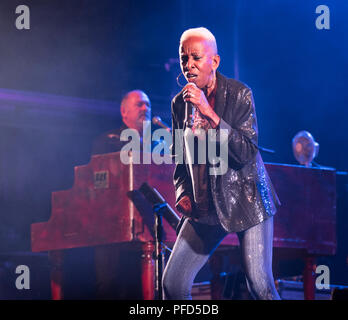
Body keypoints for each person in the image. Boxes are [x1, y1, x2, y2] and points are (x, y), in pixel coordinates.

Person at [162, 27, 281, 300]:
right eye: (184, 59)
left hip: (247, 198)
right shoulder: (179, 104)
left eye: (196, 57)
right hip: (206, 205)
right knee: (173, 284)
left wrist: (209, 113)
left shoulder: (240, 94)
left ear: (214, 62)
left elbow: (246, 152)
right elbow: (179, 157)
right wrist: (182, 192)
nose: (189, 65)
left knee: (260, 286)